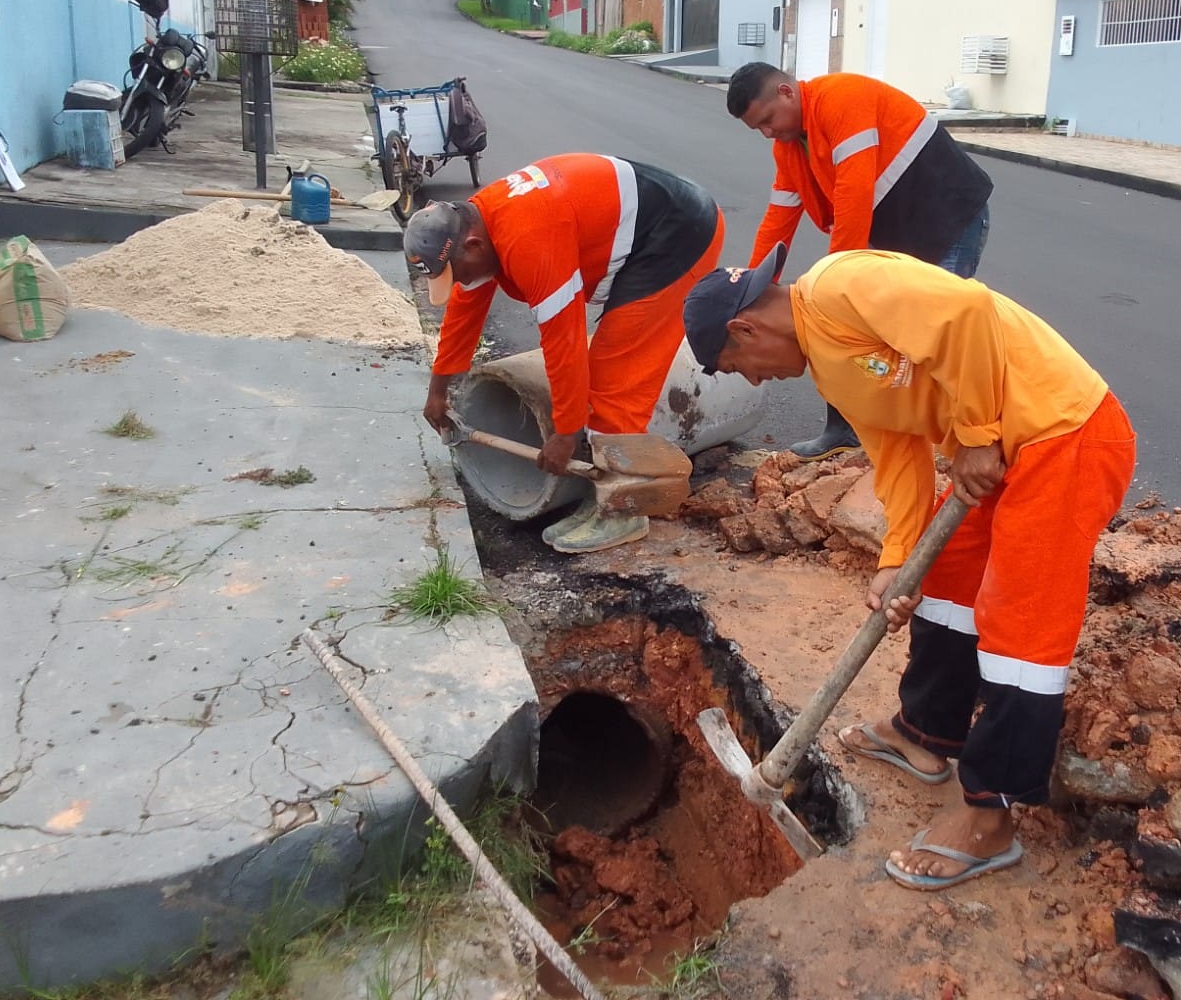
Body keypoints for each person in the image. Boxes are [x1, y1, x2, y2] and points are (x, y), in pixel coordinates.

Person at [682, 247, 1136, 891]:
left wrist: (977, 434)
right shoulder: (831, 369)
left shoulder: (844, 287)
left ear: (746, 329)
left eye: (738, 367)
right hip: (1003, 452)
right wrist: (898, 563)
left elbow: (968, 310)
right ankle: (926, 732)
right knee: (946, 577)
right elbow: (898, 456)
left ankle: (991, 820)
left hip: (1062, 435)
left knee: (1022, 632)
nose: (753, 381)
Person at [406, 154, 725, 553]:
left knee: (616, 373)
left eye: (457, 272)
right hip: (647, 225)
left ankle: (623, 511)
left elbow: (564, 340)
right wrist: (437, 390)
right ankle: (607, 491)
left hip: (679, 234)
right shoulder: (477, 223)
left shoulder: (528, 238)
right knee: (607, 362)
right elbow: (463, 311)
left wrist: (564, 434)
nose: (462, 282)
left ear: (472, 245)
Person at [724, 63, 995, 461]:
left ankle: (962, 440)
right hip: (896, 226)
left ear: (786, 92)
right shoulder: (788, 146)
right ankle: (848, 430)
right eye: (757, 129)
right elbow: (778, 219)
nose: (767, 132)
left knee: (932, 329)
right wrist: (749, 287)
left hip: (950, 217)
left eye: (768, 120)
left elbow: (854, 198)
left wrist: (836, 286)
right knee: (863, 328)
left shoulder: (841, 99)